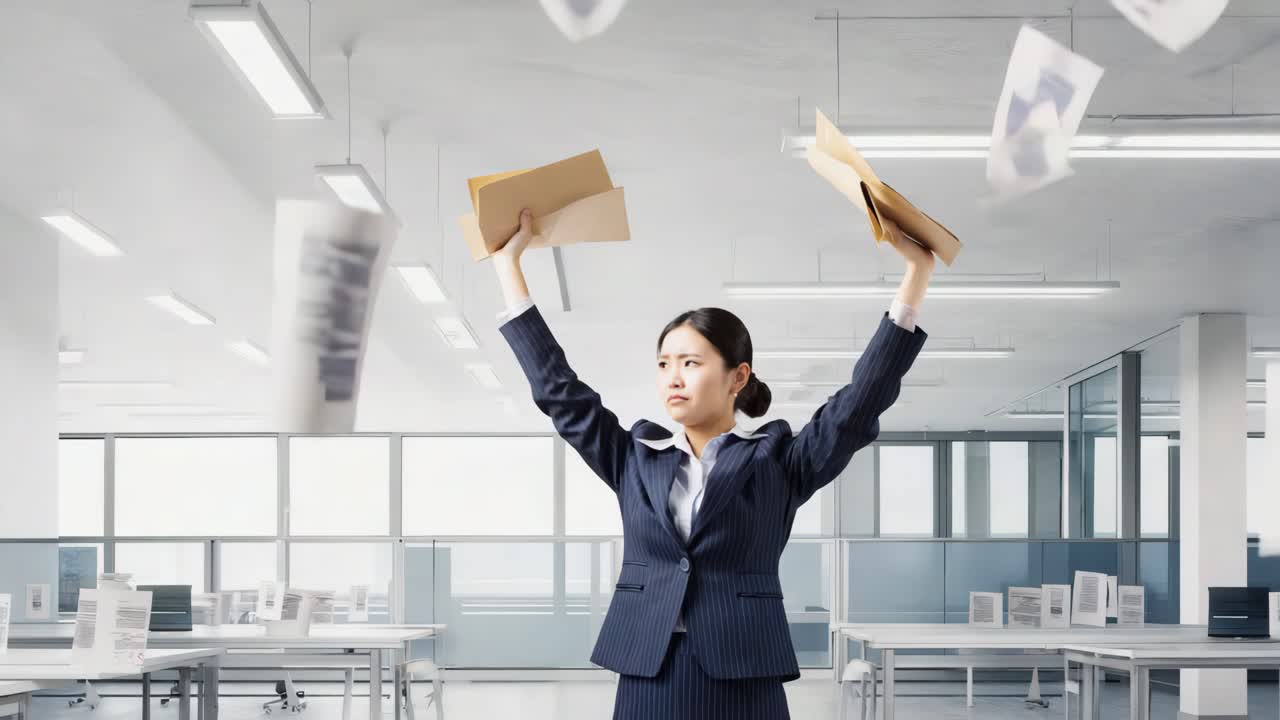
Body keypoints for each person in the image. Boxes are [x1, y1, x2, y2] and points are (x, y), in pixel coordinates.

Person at [491, 208, 933, 720]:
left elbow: (858, 406)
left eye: (691, 363)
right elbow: (559, 393)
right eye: (664, 364)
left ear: (737, 377)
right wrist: (509, 268)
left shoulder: (779, 461)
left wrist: (915, 274)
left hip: (745, 668)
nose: (673, 377)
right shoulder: (634, 458)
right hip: (649, 666)